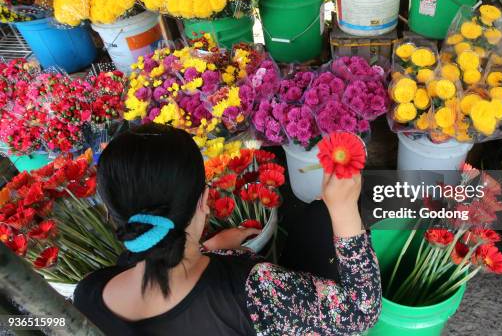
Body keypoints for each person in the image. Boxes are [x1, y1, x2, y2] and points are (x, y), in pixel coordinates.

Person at [73, 124, 381, 335]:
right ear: (205, 200)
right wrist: (342, 209)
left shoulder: (88, 293)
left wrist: (210, 250)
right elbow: (359, 312)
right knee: (320, 218)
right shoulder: (254, 290)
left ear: (114, 217)